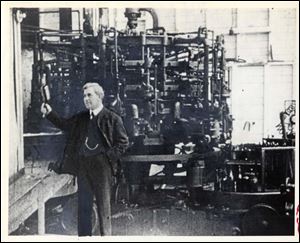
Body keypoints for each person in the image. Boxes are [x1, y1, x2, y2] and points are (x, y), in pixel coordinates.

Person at [41, 82, 129, 236]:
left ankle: (105, 237)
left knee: (103, 208)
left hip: (102, 167)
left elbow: (123, 143)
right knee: (84, 207)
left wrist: (107, 158)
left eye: (89, 95)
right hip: (83, 166)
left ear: (99, 96)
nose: (86, 99)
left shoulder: (112, 118)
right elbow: (64, 124)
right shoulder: (81, 118)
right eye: (84, 96)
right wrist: (50, 113)